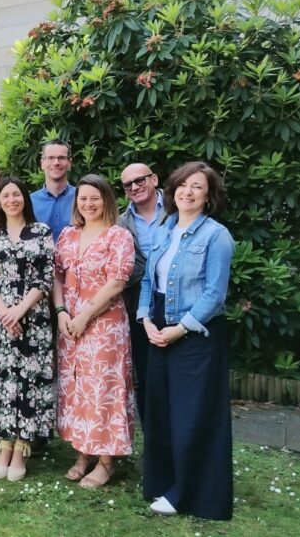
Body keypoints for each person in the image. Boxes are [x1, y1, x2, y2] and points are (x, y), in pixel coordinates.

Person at [137, 161, 234, 520]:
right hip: (159, 326)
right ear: (173, 190)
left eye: (197, 187)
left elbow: (214, 294)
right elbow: (149, 281)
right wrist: (146, 318)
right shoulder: (163, 230)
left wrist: (181, 328)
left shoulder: (216, 235)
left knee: (191, 416)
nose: (187, 191)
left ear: (208, 196)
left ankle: (188, 493)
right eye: (183, 185)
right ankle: (164, 482)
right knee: (161, 411)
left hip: (195, 334)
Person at [54, 174, 135, 489]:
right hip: (70, 327)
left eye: (95, 198)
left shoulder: (118, 236)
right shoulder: (68, 235)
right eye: (83, 198)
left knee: (103, 391)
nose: (88, 204)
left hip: (104, 326)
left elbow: (116, 282)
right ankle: (83, 452)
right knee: (78, 390)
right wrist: (61, 312)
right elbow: (57, 277)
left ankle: (105, 461)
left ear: (107, 201)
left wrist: (85, 315)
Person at [0, 177, 55, 482]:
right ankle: (4, 445)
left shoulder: (41, 232)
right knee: (2, 380)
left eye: (17, 194)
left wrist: (20, 310)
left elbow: (46, 276)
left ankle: (23, 445)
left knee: (28, 380)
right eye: (6, 195)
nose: (12, 199)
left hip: (33, 319)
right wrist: (4, 312)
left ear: (25, 198)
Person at [118, 163, 166, 426]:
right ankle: (152, 443)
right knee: (145, 377)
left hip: (177, 303)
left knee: (176, 375)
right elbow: (123, 269)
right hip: (139, 305)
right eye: (128, 185)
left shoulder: (177, 211)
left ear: (154, 179)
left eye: (140, 180)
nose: (135, 187)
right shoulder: (121, 222)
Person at [30, 139, 76, 242]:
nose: (56, 163)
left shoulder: (81, 198)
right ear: (42, 163)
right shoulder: (29, 202)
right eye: (50, 158)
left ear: (69, 163)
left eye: (61, 158)